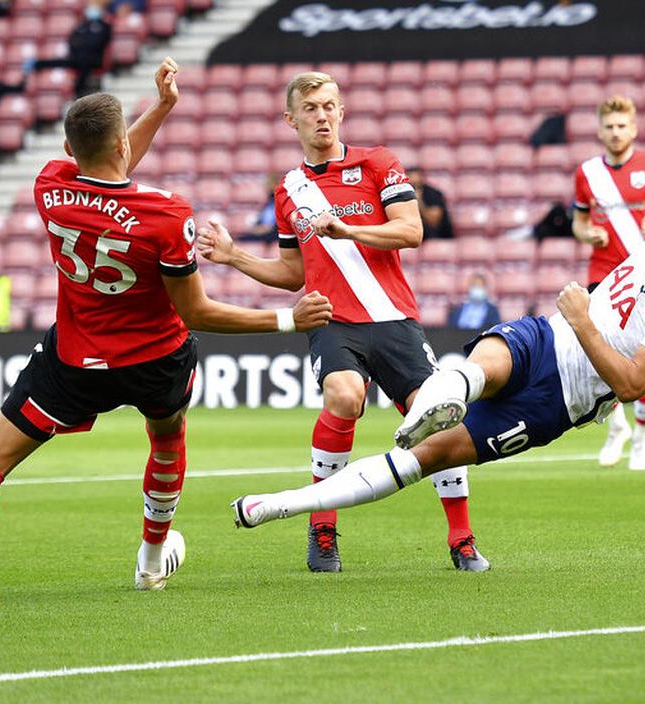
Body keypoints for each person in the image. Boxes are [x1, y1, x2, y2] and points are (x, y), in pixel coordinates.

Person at [0, 58, 334, 607]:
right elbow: (197, 312)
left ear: (70, 151)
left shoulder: (50, 184)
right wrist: (288, 318)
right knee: (167, 441)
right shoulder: (167, 215)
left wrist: (160, 108)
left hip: (74, 362)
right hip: (156, 361)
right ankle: (150, 561)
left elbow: (104, 172)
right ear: (122, 143)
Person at [230, 86, 645, 544]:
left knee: (432, 458)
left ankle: (285, 503)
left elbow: (629, 384)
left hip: (562, 395)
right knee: (482, 361)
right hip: (545, 336)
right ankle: (434, 404)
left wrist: (582, 320)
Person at [197, 71, 488, 573]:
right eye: (310, 109)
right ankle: (323, 526)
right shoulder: (289, 189)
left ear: (342, 111)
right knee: (345, 397)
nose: (322, 115)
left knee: (437, 416)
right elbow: (293, 274)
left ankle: (461, 538)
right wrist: (233, 257)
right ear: (291, 119)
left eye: (330, 105)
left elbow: (412, 231)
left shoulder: (377, 162)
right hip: (331, 320)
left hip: (394, 318)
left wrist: (345, 228)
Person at [572, 95, 645, 471]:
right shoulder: (587, 173)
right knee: (600, 352)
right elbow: (578, 222)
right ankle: (618, 426)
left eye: (622, 125)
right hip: (603, 273)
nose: (615, 132)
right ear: (599, 131)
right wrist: (586, 233)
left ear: (634, 128)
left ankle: (642, 435)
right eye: (609, 126)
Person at [29, 0, 112, 99]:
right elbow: (72, 40)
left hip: (93, 59)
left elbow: (101, 42)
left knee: (84, 65)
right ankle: (37, 64)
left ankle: (78, 93)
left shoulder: (104, 26)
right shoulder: (81, 25)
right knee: (61, 61)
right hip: (76, 57)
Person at [407, 166, 454, 239]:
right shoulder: (403, 194)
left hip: (438, 236)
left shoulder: (433, 193)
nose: (414, 181)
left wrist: (419, 201)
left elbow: (433, 221)